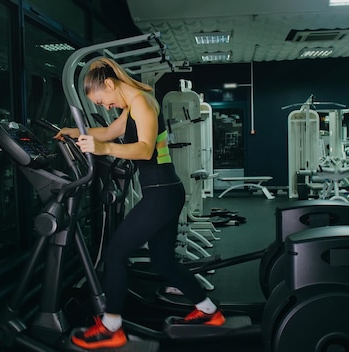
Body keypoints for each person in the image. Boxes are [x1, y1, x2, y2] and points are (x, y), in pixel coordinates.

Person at [55, 57, 224, 350]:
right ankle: (209, 311)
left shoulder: (143, 103)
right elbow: (107, 133)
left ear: (109, 84)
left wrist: (104, 149)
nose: (105, 106)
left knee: (115, 254)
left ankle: (111, 327)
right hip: (164, 191)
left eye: (102, 99)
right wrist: (76, 134)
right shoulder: (134, 104)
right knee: (163, 261)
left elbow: (145, 150)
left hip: (161, 193)